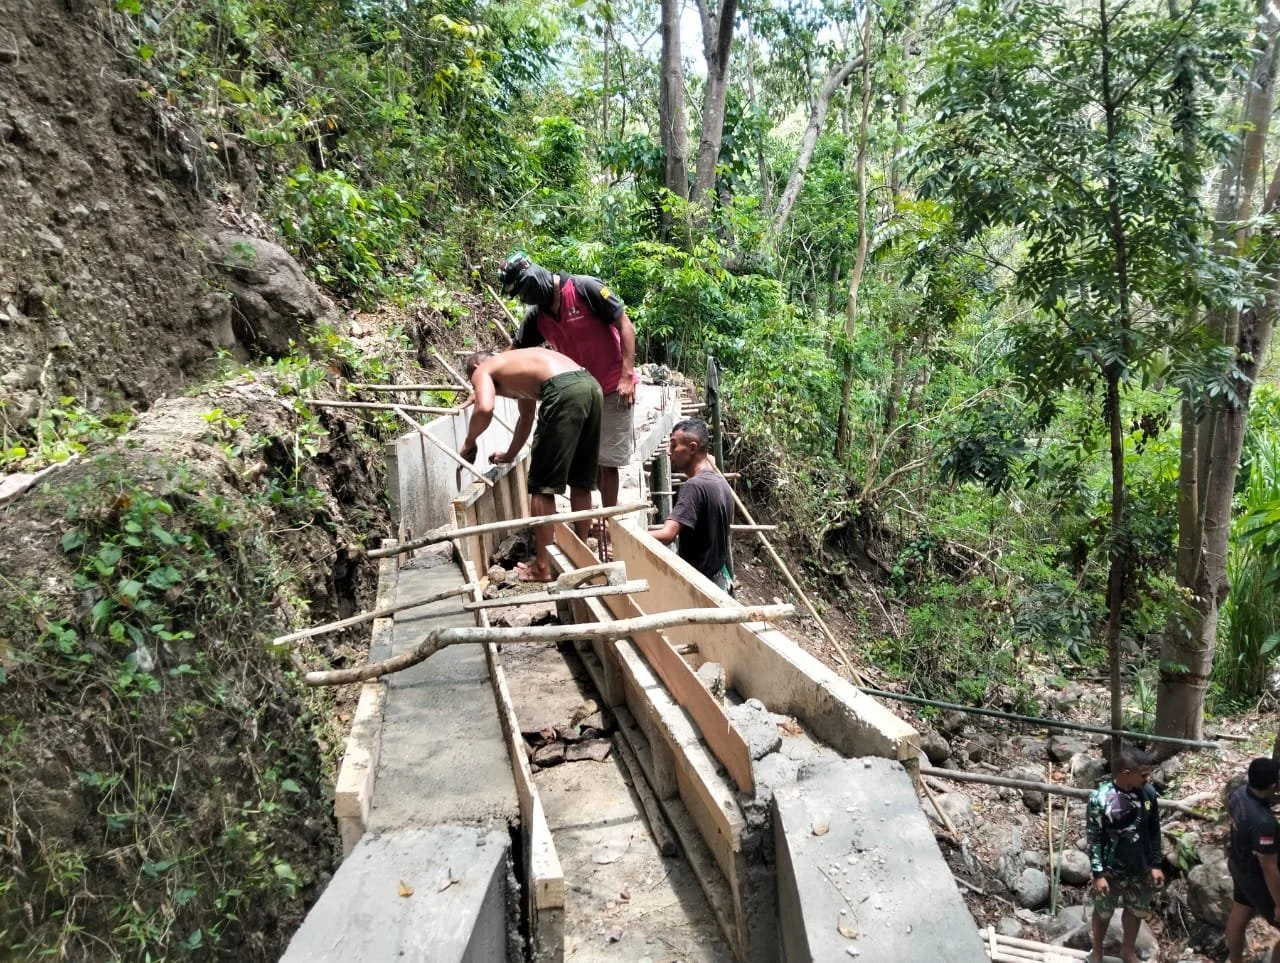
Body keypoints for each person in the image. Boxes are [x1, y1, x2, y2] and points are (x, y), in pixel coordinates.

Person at [499, 252, 636, 512]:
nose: (524, 299)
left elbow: (625, 325)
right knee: (582, 464)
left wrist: (627, 375)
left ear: (534, 277)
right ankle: (589, 520)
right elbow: (514, 352)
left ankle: (609, 519)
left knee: (608, 461)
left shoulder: (586, 289)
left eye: (523, 291)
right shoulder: (536, 317)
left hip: (611, 387)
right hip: (578, 394)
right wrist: (486, 375)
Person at [460, 348, 603, 583]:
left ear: (475, 369)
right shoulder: (518, 368)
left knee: (541, 486)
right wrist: (509, 454)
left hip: (564, 390)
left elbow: (484, 408)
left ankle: (543, 567)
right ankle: (581, 553)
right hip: (590, 385)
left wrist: (469, 442)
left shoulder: (483, 368)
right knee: (581, 480)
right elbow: (526, 418)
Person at [1085, 747, 1163, 963]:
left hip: (1141, 867)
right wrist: (1098, 873)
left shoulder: (1148, 795)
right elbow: (1094, 838)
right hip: (1111, 869)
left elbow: (1154, 830)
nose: (1149, 779)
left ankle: (1127, 951)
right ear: (1127, 773)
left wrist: (1156, 863)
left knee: (1136, 911)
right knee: (1103, 911)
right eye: (1144, 774)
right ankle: (1097, 951)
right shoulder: (1101, 798)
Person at [649, 419, 734, 592]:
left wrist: (626, 532)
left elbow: (668, 534)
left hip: (700, 588)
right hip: (718, 582)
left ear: (692, 448)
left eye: (673, 446)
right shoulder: (721, 483)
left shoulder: (693, 487)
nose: (668, 452)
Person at [1226, 757, 1280, 963]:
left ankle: (1235, 960)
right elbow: (1269, 868)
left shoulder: (1238, 794)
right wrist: (1279, 903)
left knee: (1240, 913)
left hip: (1238, 864)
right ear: (1273, 785)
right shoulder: (1263, 824)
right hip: (1256, 877)